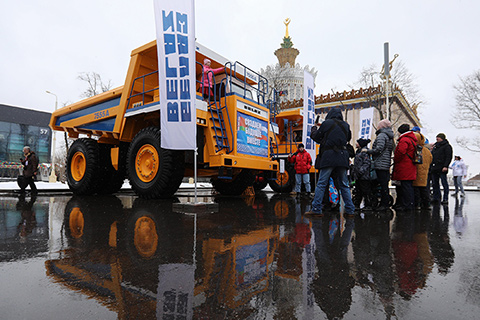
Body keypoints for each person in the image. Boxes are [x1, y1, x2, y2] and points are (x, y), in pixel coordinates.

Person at [305, 107, 355, 217]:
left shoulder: (327, 123)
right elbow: (348, 138)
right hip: (342, 157)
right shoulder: (345, 125)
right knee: (344, 185)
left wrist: (314, 128)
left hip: (329, 157)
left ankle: (316, 208)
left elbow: (316, 137)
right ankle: (350, 210)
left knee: (322, 183)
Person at [365, 119, 394, 210]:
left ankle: (382, 204)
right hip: (386, 163)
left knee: (378, 184)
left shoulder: (382, 135)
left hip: (380, 163)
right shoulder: (390, 137)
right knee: (384, 184)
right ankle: (384, 202)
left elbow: (379, 149)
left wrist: (368, 151)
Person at [391, 124, 417, 211]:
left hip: (404, 166)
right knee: (408, 186)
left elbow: (401, 152)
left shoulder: (404, 140)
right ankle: (409, 204)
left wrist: (395, 159)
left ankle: (407, 205)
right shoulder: (412, 139)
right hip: (410, 166)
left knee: (405, 187)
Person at [430, 133, 453, 204]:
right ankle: (436, 197)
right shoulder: (435, 146)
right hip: (434, 168)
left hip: (442, 167)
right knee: (435, 184)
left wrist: (446, 166)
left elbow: (448, 157)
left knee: (444, 183)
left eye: (438, 138)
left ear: (442, 138)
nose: (437, 139)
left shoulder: (447, 146)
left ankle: (445, 198)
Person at [412, 132, 433, 210]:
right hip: (425, 171)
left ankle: (417, 204)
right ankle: (427, 204)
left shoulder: (417, 149)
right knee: (424, 188)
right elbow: (430, 159)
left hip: (417, 171)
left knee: (416, 189)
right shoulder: (427, 150)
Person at [352, 138, 373, 211]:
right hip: (358, 176)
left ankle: (368, 205)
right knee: (358, 191)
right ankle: (357, 204)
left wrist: (360, 171)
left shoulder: (364, 152)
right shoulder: (358, 152)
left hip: (363, 176)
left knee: (365, 190)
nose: (356, 144)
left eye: (357, 143)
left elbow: (367, 163)